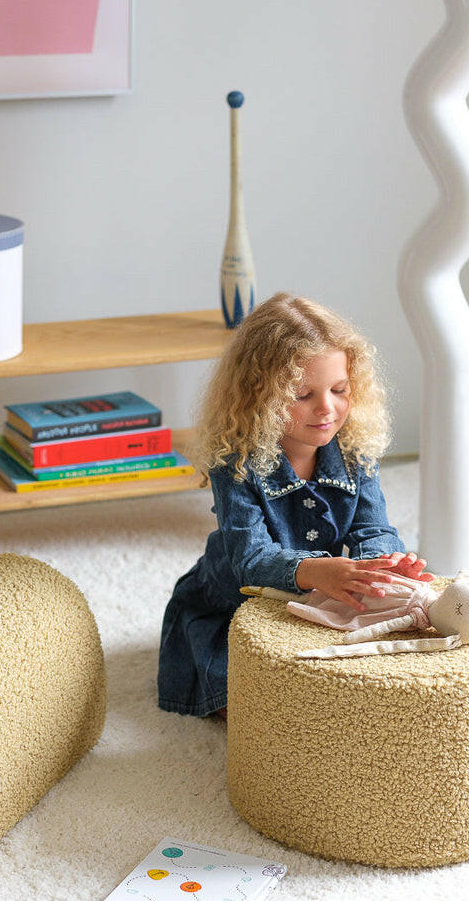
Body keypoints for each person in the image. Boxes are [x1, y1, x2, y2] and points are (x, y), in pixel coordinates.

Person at [157, 292, 433, 718]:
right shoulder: (237, 462)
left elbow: (372, 528)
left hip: (315, 598)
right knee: (262, 711)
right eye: (302, 394)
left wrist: (381, 565)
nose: (326, 408)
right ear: (258, 397)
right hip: (231, 605)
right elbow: (251, 559)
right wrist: (316, 571)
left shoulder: (355, 451)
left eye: (339, 390)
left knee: (363, 681)